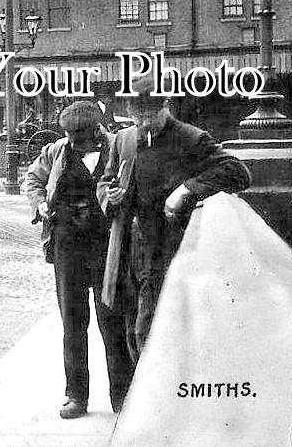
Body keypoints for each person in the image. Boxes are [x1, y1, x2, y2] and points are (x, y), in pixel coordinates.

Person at [98, 77, 251, 364]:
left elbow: (238, 172)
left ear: (166, 106)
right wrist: (112, 195)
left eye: (150, 116)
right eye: (137, 116)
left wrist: (186, 189)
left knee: (151, 330)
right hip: (130, 251)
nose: (143, 123)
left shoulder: (191, 138)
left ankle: (155, 400)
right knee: (132, 330)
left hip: (173, 250)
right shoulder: (123, 139)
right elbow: (107, 182)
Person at [24, 101, 133, 419]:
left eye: (79, 135)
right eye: (69, 134)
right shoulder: (58, 149)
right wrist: (40, 203)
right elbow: (32, 179)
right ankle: (76, 396)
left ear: (97, 129)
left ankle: (122, 395)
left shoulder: (118, 147)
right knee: (73, 324)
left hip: (105, 246)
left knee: (111, 321)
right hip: (67, 246)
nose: (73, 141)